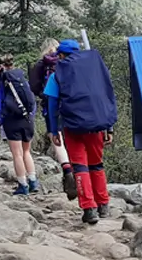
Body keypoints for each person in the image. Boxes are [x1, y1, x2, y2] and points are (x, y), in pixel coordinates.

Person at [42, 39, 118, 225]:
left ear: (61, 55)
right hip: (97, 125)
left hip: (72, 126)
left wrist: (53, 130)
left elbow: (52, 105)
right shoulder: (96, 72)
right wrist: (109, 127)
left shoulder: (57, 75)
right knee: (96, 164)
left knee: (80, 166)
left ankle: (89, 209)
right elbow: (107, 96)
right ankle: (103, 205)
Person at [31, 39, 76, 199]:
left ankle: (67, 169)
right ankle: (77, 168)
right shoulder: (68, 61)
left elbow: (34, 87)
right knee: (72, 137)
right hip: (71, 105)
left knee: (55, 136)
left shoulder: (40, 64)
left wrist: (43, 95)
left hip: (50, 105)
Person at [0, 55, 38, 195]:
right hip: (27, 119)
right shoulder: (21, 78)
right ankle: (33, 181)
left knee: (17, 154)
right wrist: (30, 115)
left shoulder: (1, 82)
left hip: (11, 120)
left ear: (0, 67)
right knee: (26, 151)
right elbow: (31, 100)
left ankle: (23, 185)